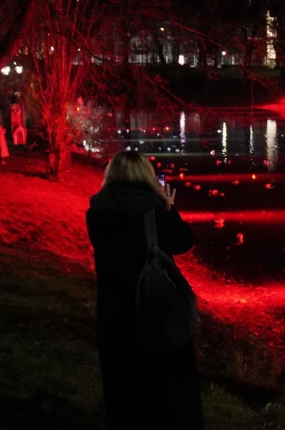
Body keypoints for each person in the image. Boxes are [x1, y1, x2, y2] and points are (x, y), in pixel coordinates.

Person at [85, 151, 202, 430]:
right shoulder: (155, 211)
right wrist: (169, 208)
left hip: (114, 307)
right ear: (146, 175)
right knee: (162, 378)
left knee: (121, 379)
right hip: (153, 305)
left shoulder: (97, 210)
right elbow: (183, 242)